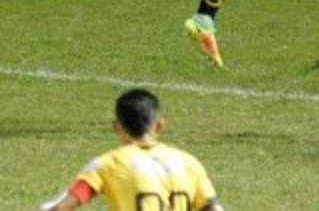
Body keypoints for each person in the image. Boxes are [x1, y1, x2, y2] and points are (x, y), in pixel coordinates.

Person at [39, 89, 224, 211]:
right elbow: (213, 208)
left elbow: (66, 205)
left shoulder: (107, 164)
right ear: (158, 125)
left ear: (116, 126)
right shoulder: (189, 163)